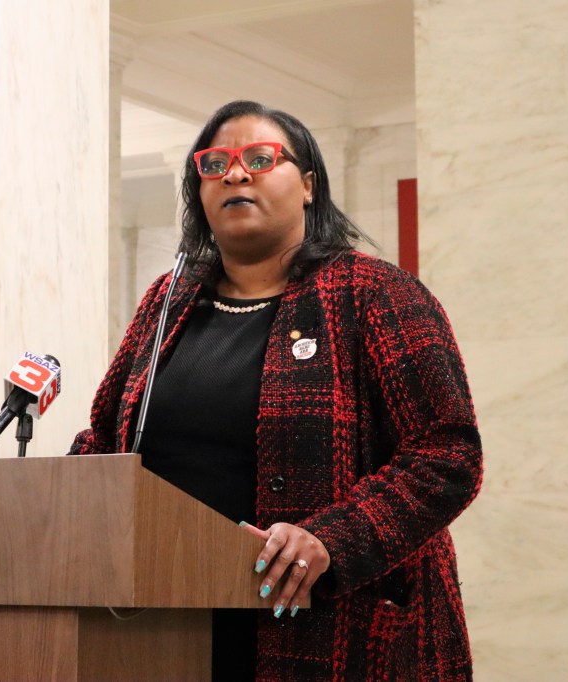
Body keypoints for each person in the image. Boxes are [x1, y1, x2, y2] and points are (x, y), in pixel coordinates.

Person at [69, 100, 482, 681]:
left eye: (260, 158)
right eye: (215, 165)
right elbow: (105, 437)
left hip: (334, 626)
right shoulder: (167, 302)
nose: (235, 174)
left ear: (308, 185)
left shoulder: (376, 293)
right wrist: (57, 504)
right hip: (165, 628)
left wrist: (330, 539)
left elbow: (448, 455)